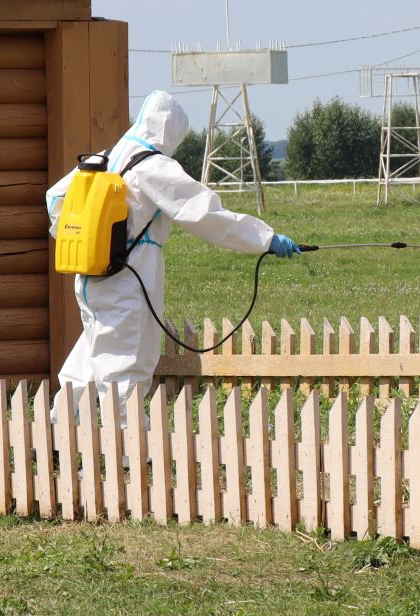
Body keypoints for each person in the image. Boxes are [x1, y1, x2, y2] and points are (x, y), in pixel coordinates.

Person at [46, 90, 300, 399]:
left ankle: (57, 439)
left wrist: (87, 240)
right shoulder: (152, 166)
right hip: (128, 280)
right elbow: (205, 214)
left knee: (87, 363)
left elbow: (55, 198)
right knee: (125, 373)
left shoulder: (108, 156)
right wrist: (266, 239)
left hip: (90, 278)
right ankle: (128, 447)